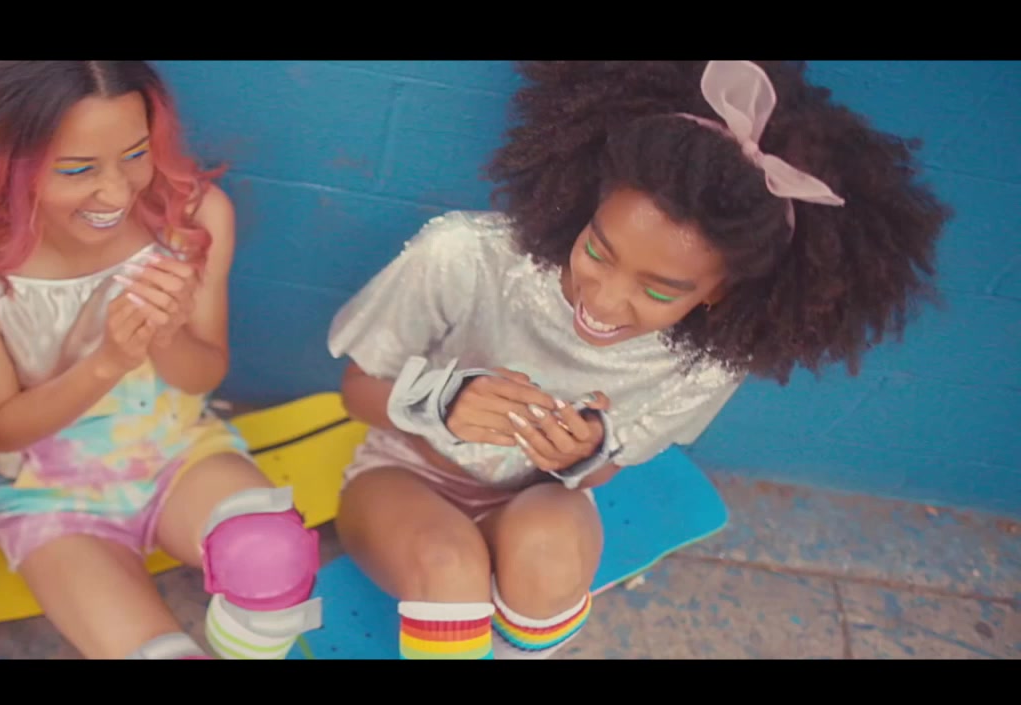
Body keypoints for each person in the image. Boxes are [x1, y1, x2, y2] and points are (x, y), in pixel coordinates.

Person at [327, 60, 951, 659]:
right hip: (405, 475)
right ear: (588, 206)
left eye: (657, 291)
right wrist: (442, 402)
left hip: (537, 499)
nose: (603, 300)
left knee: (549, 560)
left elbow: (602, 474)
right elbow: (356, 389)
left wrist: (581, 456)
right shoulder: (466, 256)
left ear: (718, 292)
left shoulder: (709, 362)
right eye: (597, 251)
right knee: (449, 569)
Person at [0, 61, 322, 660]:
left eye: (136, 154)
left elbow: (205, 373)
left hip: (181, 454)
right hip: (52, 497)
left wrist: (165, 335)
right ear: (4, 160)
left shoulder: (191, 218)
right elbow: (2, 426)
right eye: (78, 169)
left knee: (271, 556)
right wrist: (108, 360)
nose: (118, 193)